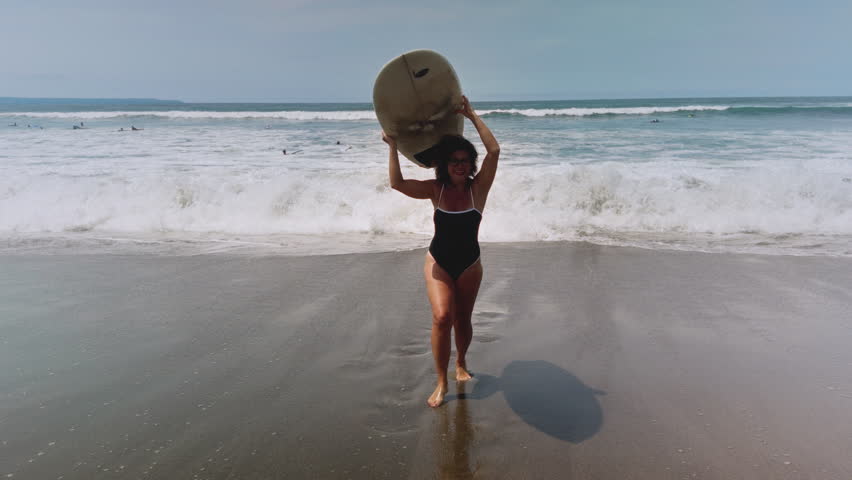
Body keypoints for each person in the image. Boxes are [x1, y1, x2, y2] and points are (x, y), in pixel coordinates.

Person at [383, 95, 500, 407]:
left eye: (465, 160)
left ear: (470, 164)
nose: (460, 165)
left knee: (463, 319)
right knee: (441, 316)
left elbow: (495, 151)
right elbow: (396, 183)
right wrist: (393, 147)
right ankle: (440, 381)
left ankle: (460, 362)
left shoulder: (479, 188)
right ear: (445, 165)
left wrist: (472, 114)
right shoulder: (436, 190)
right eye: (454, 161)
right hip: (440, 262)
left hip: (470, 264)